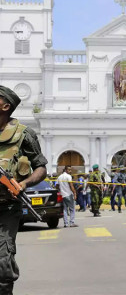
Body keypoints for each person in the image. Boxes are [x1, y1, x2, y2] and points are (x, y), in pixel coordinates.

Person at [0, 85, 47, 295]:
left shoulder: (24, 134)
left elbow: (41, 167)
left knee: (3, 262)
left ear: (5, 106)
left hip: (7, 207)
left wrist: (24, 183)